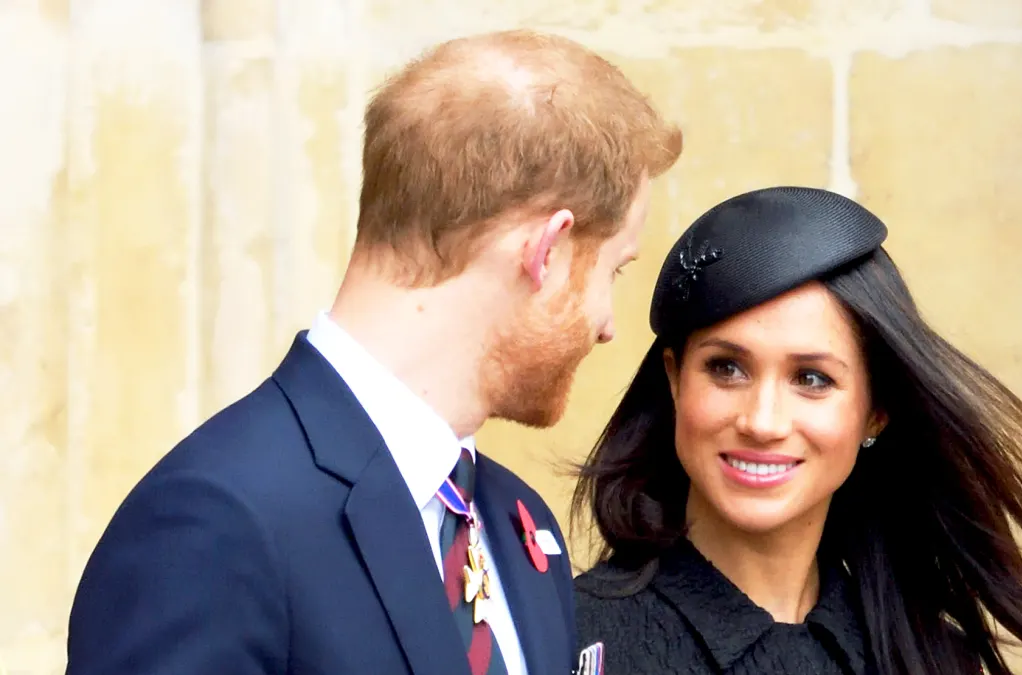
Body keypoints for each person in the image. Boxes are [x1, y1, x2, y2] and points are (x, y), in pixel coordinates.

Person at [65, 29, 681, 675]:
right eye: (613, 270)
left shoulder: (519, 521)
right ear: (546, 251)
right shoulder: (214, 524)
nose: (607, 325)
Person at [570, 186, 1022, 675]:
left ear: (877, 412)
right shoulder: (568, 638)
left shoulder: (936, 659)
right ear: (674, 380)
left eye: (812, 378)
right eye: (726, 368)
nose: (762, 421)